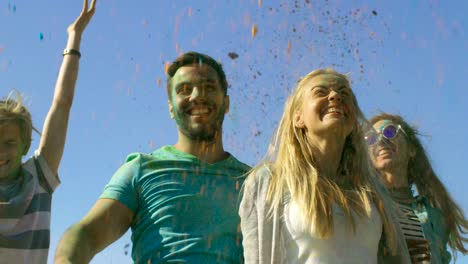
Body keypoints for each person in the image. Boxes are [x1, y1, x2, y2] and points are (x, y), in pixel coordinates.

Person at [54, 51, 250, 264]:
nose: (196, 95)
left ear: (227, 103)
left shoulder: (254, 181)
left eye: (209, 87)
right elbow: (87, 234)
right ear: (170, 108)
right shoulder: (142, 169)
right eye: (184, 89)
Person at [239, 68, 411, 264]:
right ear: (298, 117)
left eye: (344, 93)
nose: (335, 96)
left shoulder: (373, 191)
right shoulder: (268, 181)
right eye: (320, 92)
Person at [0, 0, 96, 263]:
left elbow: (62, 104)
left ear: (25, 144)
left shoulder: (38, 179)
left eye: (8, 142)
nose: (1, 151)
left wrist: (74, 38)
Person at [366, 113, 468, 263]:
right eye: (371, 138)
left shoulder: (435, 218)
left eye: (389, 132)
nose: (381, 141)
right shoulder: (365, 205)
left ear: (411, 149)